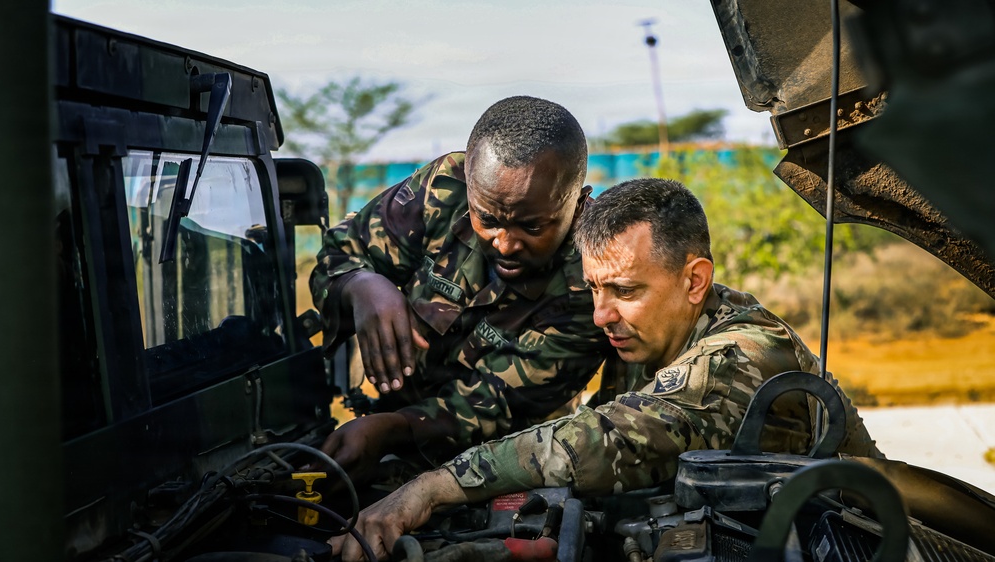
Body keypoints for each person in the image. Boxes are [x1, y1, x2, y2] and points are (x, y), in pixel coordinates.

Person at [329, 178, 882, 561]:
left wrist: (430, 489)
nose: (601, 315)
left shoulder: (742, 356)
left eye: (625, 291)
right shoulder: (651, 337)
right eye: (595, 288)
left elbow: (601, 440)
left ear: (694, 281)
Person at [309, 96, 612, 480]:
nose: (504, 243)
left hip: (510, 467)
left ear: (579, 206)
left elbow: (495, 406)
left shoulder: (593, 282)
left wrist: (387, 430)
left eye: (532, 227)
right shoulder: (444, 187)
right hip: (381, 427)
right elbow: (339, 253)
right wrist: (361, 284)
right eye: (487, 218)